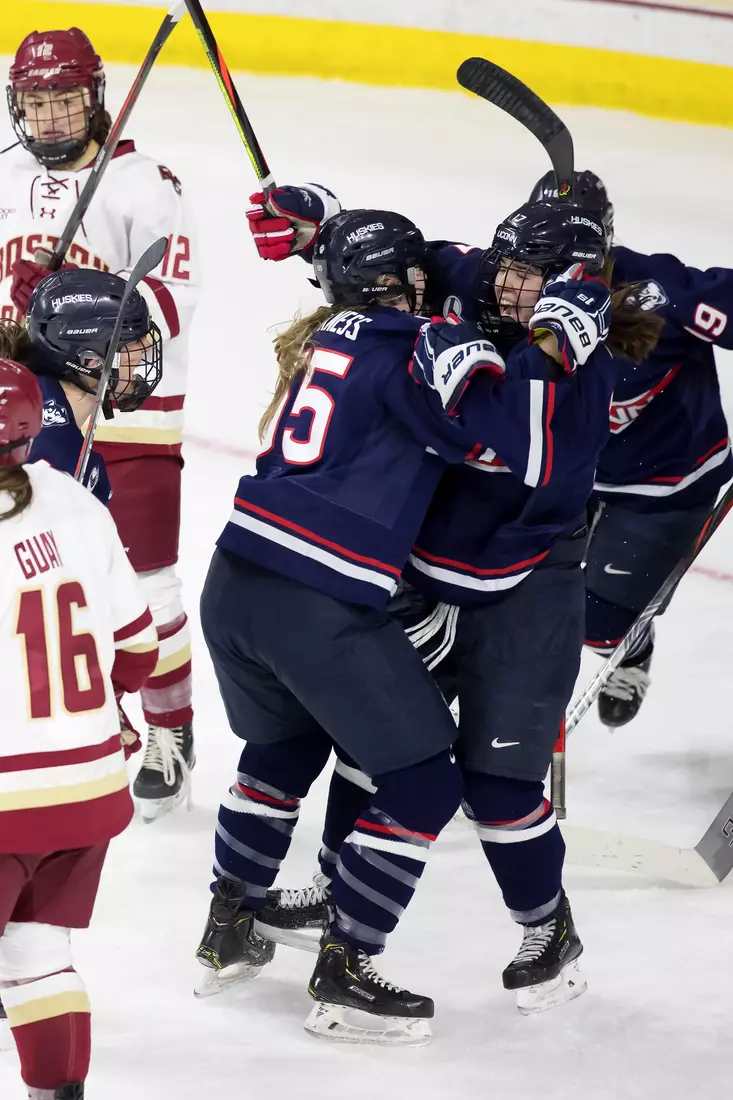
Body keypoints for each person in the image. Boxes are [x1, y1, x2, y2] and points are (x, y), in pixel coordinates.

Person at [195, 206, 617, 1042]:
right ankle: (344, 937)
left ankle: (545, 925)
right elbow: (449, 310)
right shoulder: (431, 332)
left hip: (515, 590)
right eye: (504, 267)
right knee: (392, 759)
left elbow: (527, 454)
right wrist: (502, 357)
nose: (506, 283)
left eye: (532, 274)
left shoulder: (395, 330)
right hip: (371, 584)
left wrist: (329, 238)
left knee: (492, 788)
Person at [2, 26, 199, 815]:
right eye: (36, 103)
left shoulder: (146, 185)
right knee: (37, 566)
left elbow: (168, 310)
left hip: (129, 410)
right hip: (23, 407)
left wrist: (58, 306)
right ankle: (75, 713)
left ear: (97, 98)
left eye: (65, 101)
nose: (50, 120)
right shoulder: (5, 175)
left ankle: (171, 726)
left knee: (145, 581)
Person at [0, 357, 158, 1100]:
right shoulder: (72, 496)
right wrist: (111, 707)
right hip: (87, 790)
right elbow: (138, 645)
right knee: (38, 956)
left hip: (7, 799)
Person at [529, 170, 733, 725]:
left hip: (665, 479)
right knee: (515, 598)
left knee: (600, 624)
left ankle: (631, 643)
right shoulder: (511, 285)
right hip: (563, 469)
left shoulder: (661, 292)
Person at [0, 268, 163, 507]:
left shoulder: (32, 404)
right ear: (90, 360)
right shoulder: (55, 450)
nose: (145, 349)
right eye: (133, 341)